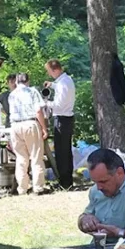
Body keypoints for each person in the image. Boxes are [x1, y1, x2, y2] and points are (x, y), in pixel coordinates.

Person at [77, 149, 125, 240]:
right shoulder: (95, 191)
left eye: (103, 181)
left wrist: (120, 232)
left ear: (119, 173)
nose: (99, 187)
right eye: (95, 182)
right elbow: (84, 216)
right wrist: (84, 220)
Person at [8, 73, 48, 195]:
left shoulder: (12, 94)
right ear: (27, 81)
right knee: (36, 157)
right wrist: (44, 128)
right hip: (30, 123)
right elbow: (38, 111)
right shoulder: (32, 91)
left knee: (21, 158)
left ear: (16, 82)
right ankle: (38, 187)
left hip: (15, 126)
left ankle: (22, 188)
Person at [44, 59, 76, 190]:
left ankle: (64, 182)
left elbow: (59, 104)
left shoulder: (63, 84)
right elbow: (60, 87)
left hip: (62, 119)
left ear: (55, 70)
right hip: (67, 118)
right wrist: (51, 85)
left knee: (62, 152)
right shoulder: (66, 80)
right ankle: (67, 179)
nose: (50, 74)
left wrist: (45, 102)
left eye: (50, 72)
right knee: (66, 151)